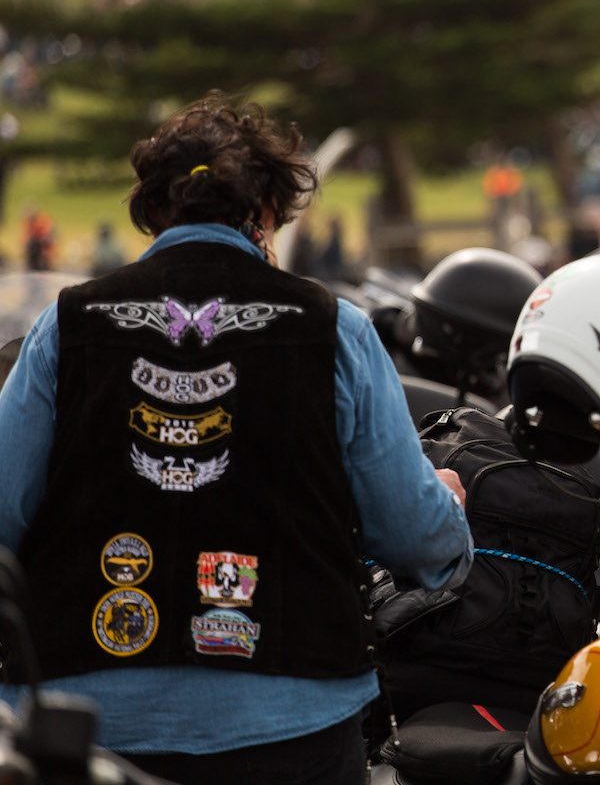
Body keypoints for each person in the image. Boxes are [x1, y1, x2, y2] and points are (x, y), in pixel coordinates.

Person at [0, 94, 472, 785]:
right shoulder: (334, 327)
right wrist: (448, 508)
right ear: (270, 212)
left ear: (155, 212)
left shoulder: (64, 327)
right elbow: (416, 539)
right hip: (293, 720)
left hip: (89, 720)